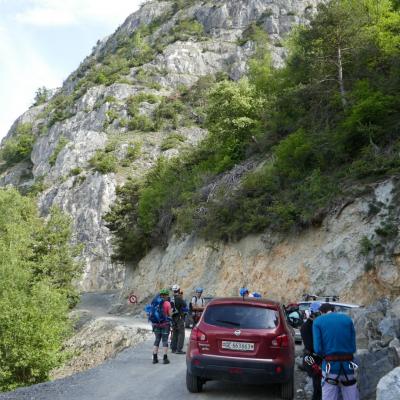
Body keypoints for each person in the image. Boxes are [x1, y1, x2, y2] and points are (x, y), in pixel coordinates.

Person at [313, 303, 359, 400]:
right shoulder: (347, 320)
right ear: (333, 309)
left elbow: (318, 349)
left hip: (330, 367)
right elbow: (353, 346)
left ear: (321, 312)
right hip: (348, 366)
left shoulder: (318, 322)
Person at [301, 302, 322, 400]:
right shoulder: (306, 327)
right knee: (317, 384)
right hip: (312, 358)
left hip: (316, 357)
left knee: (318, 383)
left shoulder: (315, 324)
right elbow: (310, 345)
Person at [151, 288, 172, 365]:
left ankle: (155, 358)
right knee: (165, 341)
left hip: (156, 325)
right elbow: (170, 315)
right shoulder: (167, 303)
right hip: (165, 325)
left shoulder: (155, 302)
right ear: (166, 296)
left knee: (157, 340)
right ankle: (165, 358)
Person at [170, 284, 187, 354]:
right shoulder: (179, 298)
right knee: (181, 333)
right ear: (179, 290)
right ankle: (179, 349)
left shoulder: (171, 298)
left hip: (173, 317)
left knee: (175, 333)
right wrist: (181, 297)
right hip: (179, 317)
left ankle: (173, 348)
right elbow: (185, 305)